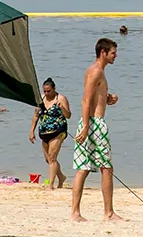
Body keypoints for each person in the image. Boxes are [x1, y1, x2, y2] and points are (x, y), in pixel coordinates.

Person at [73, 38, 123, 222]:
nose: (115, 56)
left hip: (91, 122)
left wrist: (107, 98)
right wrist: (86, 126)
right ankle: (108, 213)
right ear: (103, 52)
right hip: (94, 123)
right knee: (106, 168)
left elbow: (93, 97)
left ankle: (75, 212)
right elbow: (86, 100)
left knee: (84, 168)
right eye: (113, 53)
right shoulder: (95, 71)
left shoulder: (96, 71)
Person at [29, 78, 71, 188]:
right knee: (48, 159)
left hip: (58, 131)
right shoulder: (41, 99)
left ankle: (51, 185)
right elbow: (36, 116)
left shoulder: (61, 98)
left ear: (54, 89)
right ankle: (61, 177)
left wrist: (61, 107)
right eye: (45, 91)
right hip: (44, 132)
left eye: (49, 91)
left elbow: (68, 115)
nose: (47, 93)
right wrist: (31, 131)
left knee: (52, 157)